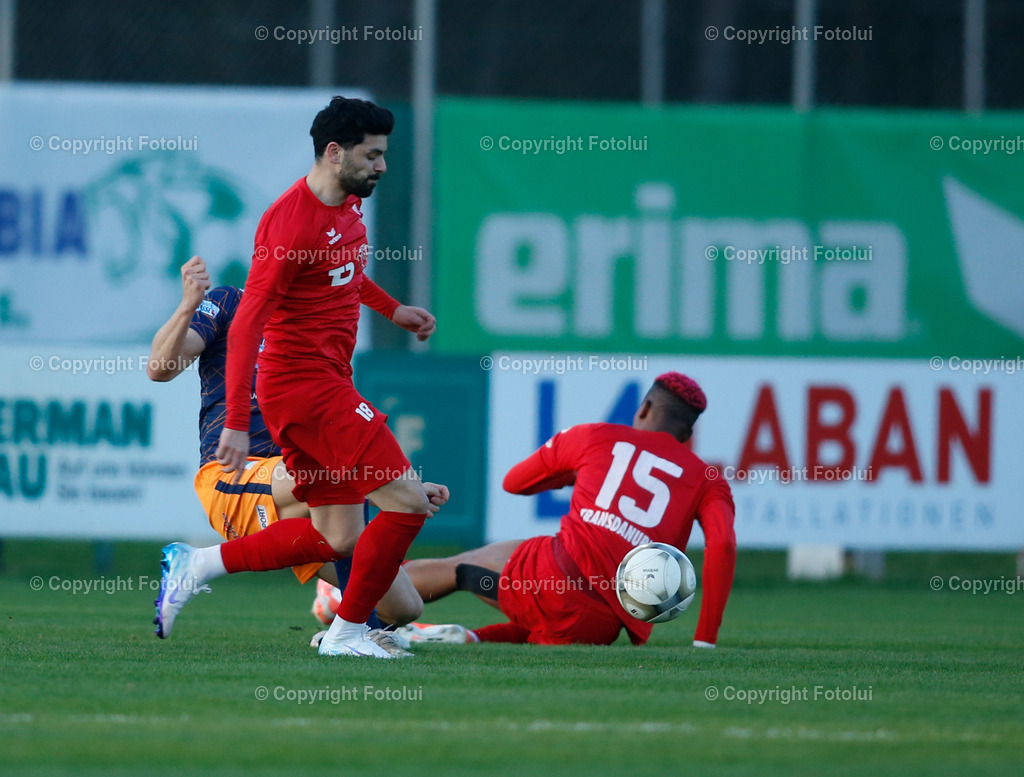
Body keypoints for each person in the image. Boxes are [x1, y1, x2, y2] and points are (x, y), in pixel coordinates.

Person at [155, 96, 439, 659]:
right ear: (335, 153)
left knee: (339, 536)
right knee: (406, 500)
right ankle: (346, 635)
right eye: (372, 155)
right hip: (307, 389)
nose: (382, 166)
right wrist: (237, 424)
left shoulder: (348, 205)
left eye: (384, 154)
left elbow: (345, 271)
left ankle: (199, 563)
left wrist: (393, 310)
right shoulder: (290, 222)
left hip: (324, 383)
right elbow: (246, 327)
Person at [146, 256, 449, 632]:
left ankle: (338, 610)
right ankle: (353, 633)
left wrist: (399, 489)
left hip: (302, 491)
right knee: (342, 483)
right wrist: (187, 306)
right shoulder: (229, 303)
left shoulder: (314, 330)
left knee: (404, 608)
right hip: (236, 474)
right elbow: (159, 369)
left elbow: (339, 436)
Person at [397, 373, 736, 648]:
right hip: (603, 625)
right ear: (688, 432)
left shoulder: (594, 435)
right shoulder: (708, 480)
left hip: (549, 579)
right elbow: (722, 545)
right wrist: (705, 640)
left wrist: (574, 474)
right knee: (545, 630)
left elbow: (514, 483)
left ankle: (368, 599)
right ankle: (471, 638)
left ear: (645, 407)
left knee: (460, 568)